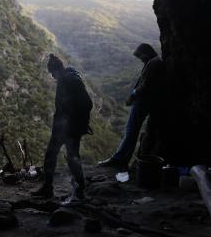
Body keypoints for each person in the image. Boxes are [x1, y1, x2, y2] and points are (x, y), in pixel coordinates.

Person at [32, 54, 93, 201]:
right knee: (66, 156)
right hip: (64, 126)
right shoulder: (67, 78)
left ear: (57, 69)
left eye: (52, 73)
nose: (52, 77)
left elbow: (87, 104)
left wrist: (76, 120)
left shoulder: (70, 80)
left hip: (69, 128)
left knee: (67, 157)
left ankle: (76, 189)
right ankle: (74, 188)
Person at [98, 43, 164, 170]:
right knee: (134, 131)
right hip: (150, 101)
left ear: (145, 54)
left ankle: (119, 160)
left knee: (131, 130)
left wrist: (133, 95)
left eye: (140, 56)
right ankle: (124, 159)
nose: (140, 59)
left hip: (143, 101)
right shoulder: (155, 61)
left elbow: (146, 85)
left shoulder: (153, 63)